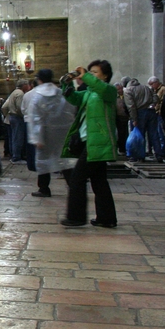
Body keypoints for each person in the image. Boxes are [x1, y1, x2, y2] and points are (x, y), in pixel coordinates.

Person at [60, 60, 118, 228]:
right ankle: (106, 218)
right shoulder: (89, 93)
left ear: (105, 76)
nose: (91, 75)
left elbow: (100, 88)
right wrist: (66, 86)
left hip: (98, 142)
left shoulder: (108, 91)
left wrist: (84, 75)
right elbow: (73, 99)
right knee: (99, 181)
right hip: (89, 141)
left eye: (95, 72)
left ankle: (76, 217)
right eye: (90, 72)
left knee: (77, 178)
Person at [25, 69, 76, 197]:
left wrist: (37, 138)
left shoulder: (37, 96)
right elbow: (69, 110)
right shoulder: (59, 93)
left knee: (43, 161)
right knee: (64, 160)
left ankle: (44, 188)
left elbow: (36, 118)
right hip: (61, 132)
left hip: (45, 133)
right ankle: (74, 187)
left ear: (38, 79)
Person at [124, 77, 162, 162]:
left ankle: (140, 156)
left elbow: (131, 106)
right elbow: (156, 98)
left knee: (139, 135)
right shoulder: (146, 87)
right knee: (154, 133)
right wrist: (152, 104)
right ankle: (159, 154)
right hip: (151, 112)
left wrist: (134, 119)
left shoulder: (128, 90)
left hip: (139, 112)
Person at [1, 80, 28, 163]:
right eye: (27, 85)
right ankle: (16, 157)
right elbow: (20, 108)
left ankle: (14, 155)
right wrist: (24, 115)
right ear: (23, 85)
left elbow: (4, 107)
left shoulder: (14, 92)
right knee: (18, 138)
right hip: (17, 117)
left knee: (14, 137)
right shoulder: (20, 94)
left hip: (12, 117)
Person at [115, 83, 130, 158]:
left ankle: (124, 149)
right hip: (117, 117)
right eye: (118, 89)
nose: (120, 90)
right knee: (119, 134)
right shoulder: (114, 97)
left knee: (125, 133)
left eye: (121, 88)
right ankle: (120, 149)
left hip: (125, 117)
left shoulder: (125, 95)